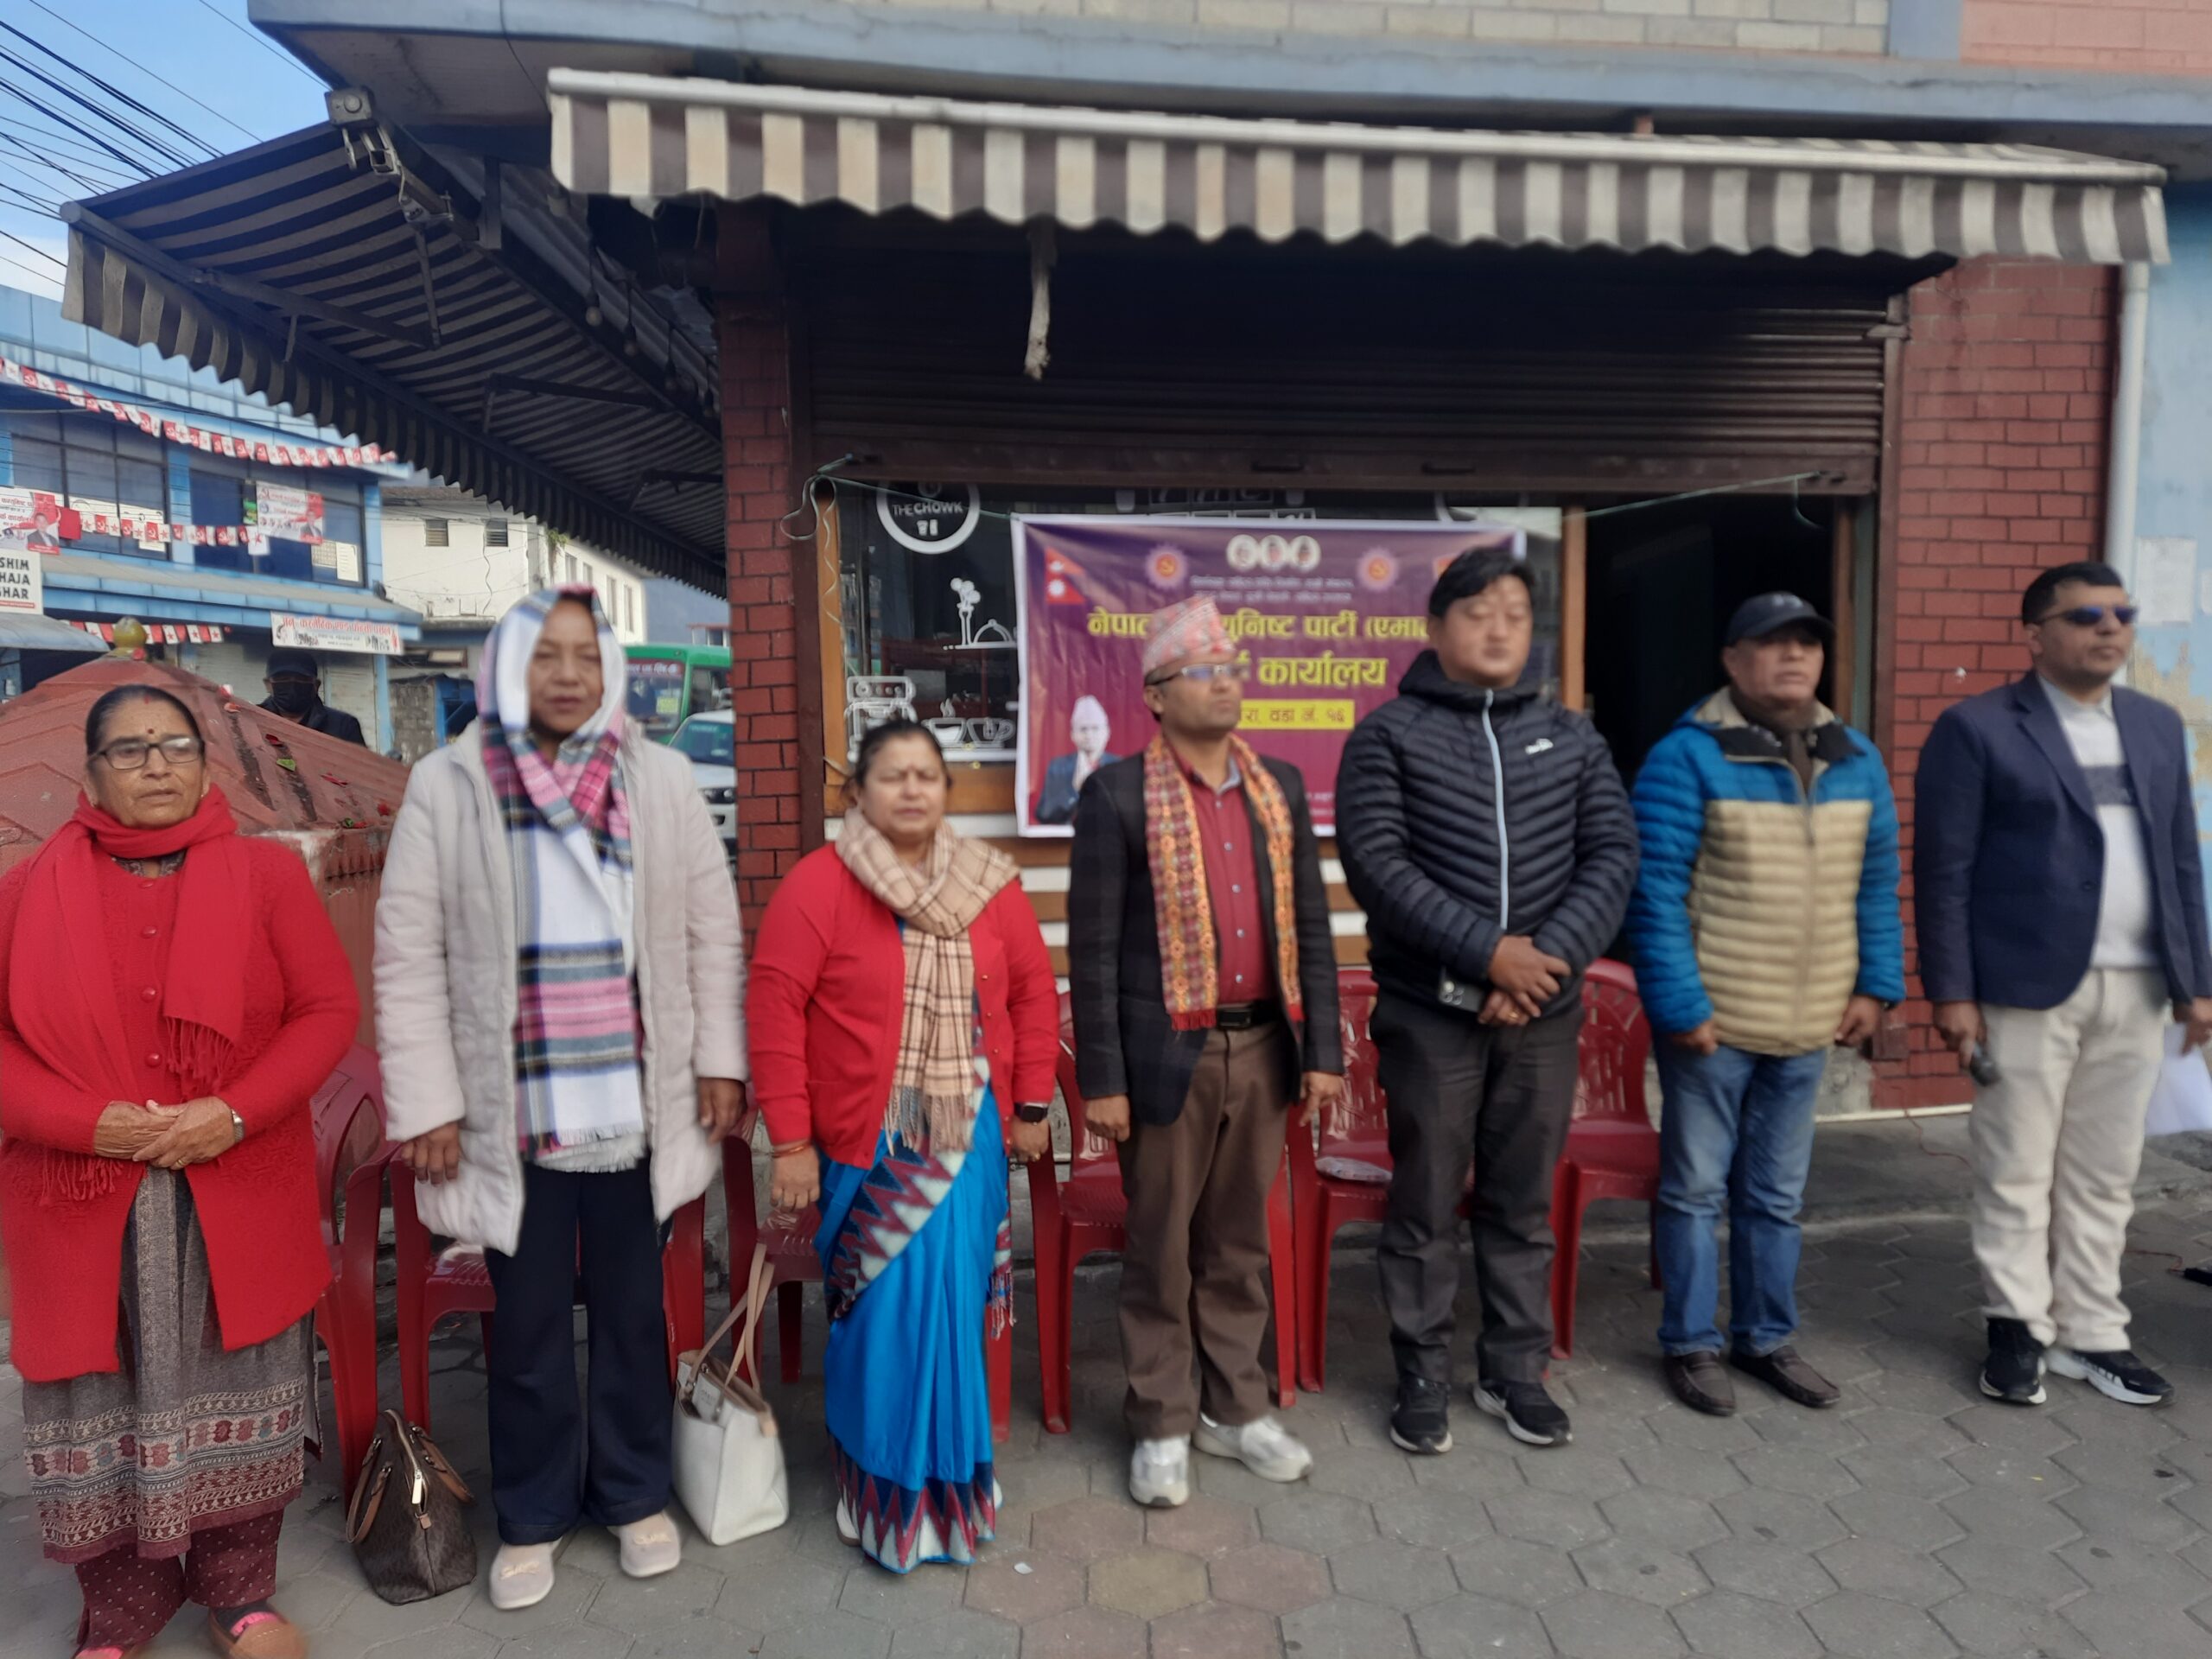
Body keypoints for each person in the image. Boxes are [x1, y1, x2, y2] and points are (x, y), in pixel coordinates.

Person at [374, 588, 747, 1609]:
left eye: (588, 654)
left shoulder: (659, 778)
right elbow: (407, 953)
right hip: (514, 1113)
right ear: (507, 667)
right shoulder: (449, 784)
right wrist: (429, 1104)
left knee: (632, 1316)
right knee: (530, 1326)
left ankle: (633, 1494)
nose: (571, 674)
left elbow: (711, 931)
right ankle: (533, 1516)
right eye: (547, 655)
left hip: (638, 1103)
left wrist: (721, 1061)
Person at [0, 683, 359, 1659]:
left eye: (176, 744)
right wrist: (88, 1125)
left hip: (234, 1183)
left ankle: (239, 1596)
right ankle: (117, 1616)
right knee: (98, 1402)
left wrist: (231, 1113)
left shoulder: (267, 878)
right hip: (83, 1200)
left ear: (205, 765)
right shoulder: (27, 891)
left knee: (243, 1383)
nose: (156, 763)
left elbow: (326, 1011)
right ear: (89, 776)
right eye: (129, 749)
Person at [1335, 548, 1637, 1455]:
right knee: (1424, 1203)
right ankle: (1421, 1372)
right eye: (1478, 612)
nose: (1500, 628)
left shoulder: (1571, 736)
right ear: (1435, 629)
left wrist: (1539, 967)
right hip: (1430, 1014)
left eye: (1514, 612)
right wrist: (1487, 959)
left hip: (1542, 1013)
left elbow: (1612, 855)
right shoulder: (1387, 737)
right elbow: (1379, 867)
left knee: (1521, 1202)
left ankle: (1514, 1370)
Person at [747, 719, 1058, 1571]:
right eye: (893, 775)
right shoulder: (818, 886)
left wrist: (1033, 1101)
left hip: (968, 1137)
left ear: (946, 791)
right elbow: (774, 1014)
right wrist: (791, 1142)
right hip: (866, 1143)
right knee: (878, 1319)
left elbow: (1033, 994)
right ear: (857, 793)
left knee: (950, 1312)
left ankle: (949, 1480)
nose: (912, 789)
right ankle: (876, 1482)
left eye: (927, 775)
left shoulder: (989, 884)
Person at [1915, 560, 2212, 1409]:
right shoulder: (1976, 727)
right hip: (2021, 986)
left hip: (2139, 987)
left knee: (2106, 1171)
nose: (2109, 628)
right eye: (2086, 616)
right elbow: (1943, 870)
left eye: (2120, 613)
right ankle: (2017, 1327)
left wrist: (2195, 982)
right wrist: (1952, 992)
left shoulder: (2156, 725)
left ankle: (2093, 1332)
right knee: (2015, 1166)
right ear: (2035, 636)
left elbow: (2180, 861)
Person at [1068, 595, 1343, 1510]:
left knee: (1237, 1242)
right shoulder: (1116, 796)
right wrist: (1103, 1080)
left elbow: (1311, 924)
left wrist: (1323, 1049)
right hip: (1164, 1055)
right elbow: (1093, 952)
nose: (1225, 683)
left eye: (1233, 668)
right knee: (1159, 1245)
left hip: (1264, 1045)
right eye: (1204, 671)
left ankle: (1235, 1410)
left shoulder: (1279, 788)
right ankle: (1159, 1421)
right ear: (1156, 694)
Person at [1626, 593, 1904, 1419]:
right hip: (1713, 1024)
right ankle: (1689, 1343)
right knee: (1694, 1191)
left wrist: (1875, 986)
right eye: (1772, 643)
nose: (1793, 657)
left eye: (1806, 645)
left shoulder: (1855, 756)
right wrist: (1680, 1003)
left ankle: (1764, 1338)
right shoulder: (1688, 755)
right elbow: (1654, 891)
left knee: (1777, 1197)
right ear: (1732, 660)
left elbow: (1876, 884)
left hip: (1810, 1021)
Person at [1034, 695, 1118, 824]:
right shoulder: (1059, 767)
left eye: (1095, 728)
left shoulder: (1119, 766)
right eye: (1083, 729)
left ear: (1107, 732)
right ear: (1073, 734)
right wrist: (1073, 790)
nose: (1089, 735)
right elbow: (1046, 815)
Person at [259, 649, 365, 746]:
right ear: (268, 684)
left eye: (301, 679)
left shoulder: (344, 726)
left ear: (316, 685)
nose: (292, 686)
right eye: (283, 679)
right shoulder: (253, 720)